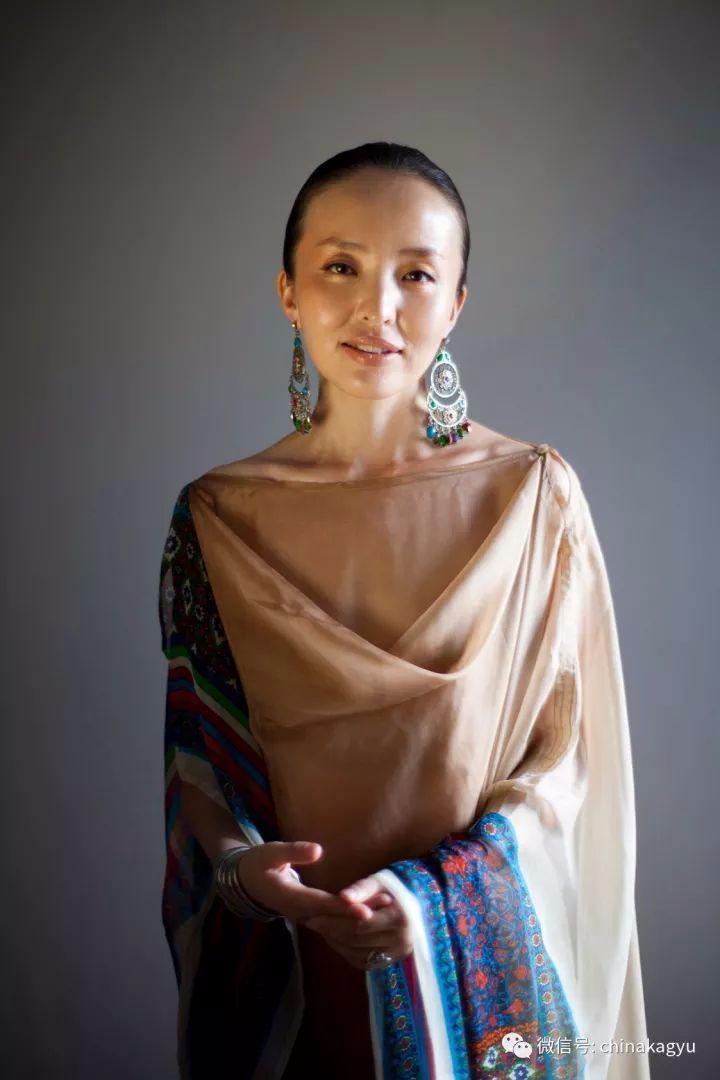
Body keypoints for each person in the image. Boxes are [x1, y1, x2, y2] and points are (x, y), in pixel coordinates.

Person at [158, 141, 650, 1079]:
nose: (377, 308)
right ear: (288, 291)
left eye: (416, 275)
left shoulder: (532, 499)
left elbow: (568, 773)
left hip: (468, 1005)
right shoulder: (216, 518)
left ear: (456, 302)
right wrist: (246, 875)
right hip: (300, 984)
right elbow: (203, 772)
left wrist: (431, 905)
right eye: (340, 267)